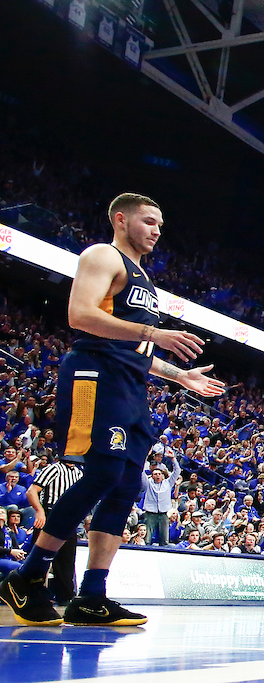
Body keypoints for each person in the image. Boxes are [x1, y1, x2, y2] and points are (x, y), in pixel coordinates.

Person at [0, 193, 224, 627]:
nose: (157, 230)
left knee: (124, 485)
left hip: (129, 381)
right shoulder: (103, 255)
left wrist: (180, 376)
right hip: (93, 373)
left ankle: (92, 596)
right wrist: (152, 332)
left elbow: (136, 345)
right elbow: (80, 315)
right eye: (149, 221)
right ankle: (27, 578)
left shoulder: (145, 281)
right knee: (102, 473)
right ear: (121, 220)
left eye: (160, 224)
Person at [24, 457, 84, 604]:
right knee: (41, 557)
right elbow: (31, 491)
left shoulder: (79, 473)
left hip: (70, 517)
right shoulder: (53, 469)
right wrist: (40, 511)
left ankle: (65, 597)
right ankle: (32, 593)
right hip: (51, 514)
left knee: (67, 560)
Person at [141, 448, 181, 546]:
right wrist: (145, 456)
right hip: (150, 513)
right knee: (148, 538)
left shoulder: (168, 483)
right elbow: (140, 471)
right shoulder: (148, 483)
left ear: (163, 475)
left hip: (164, 513)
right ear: (152, 475)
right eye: (155, 474)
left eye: (159, 474)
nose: (157, 475)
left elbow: (177, 471)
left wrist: (173, 459)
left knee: (164, 539)